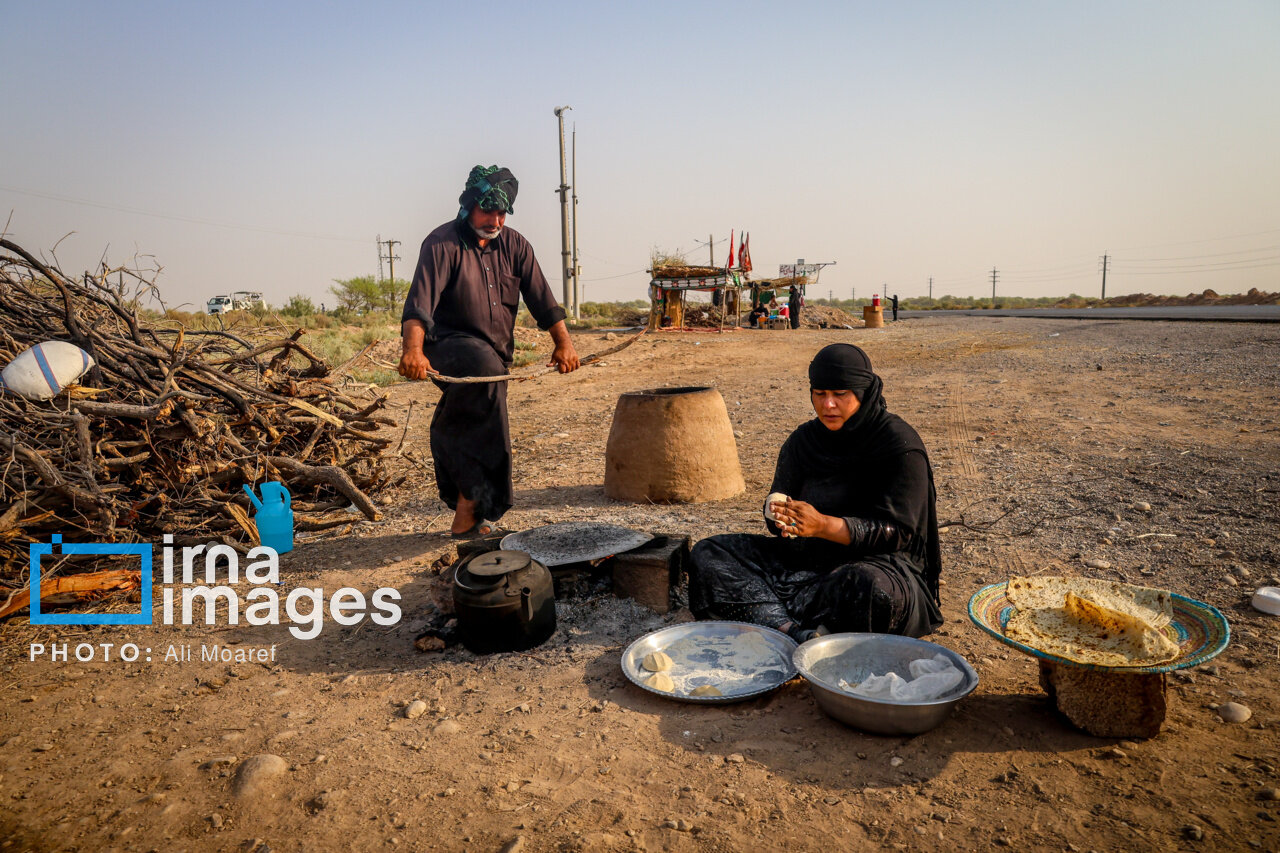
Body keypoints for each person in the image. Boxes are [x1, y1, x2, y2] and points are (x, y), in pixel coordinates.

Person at [688, 343, 943, 641]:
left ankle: (785, 621)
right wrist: (778, 515)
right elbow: (780, 500)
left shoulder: (898, 445)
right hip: (803, 560)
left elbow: (899, 532)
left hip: (876, 564)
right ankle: (791, 630)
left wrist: (823, 525)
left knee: (871, 589)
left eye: (840, 394)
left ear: (863, 393)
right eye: (819, 394)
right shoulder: (803, 441)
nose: (828, 405)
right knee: (710, 553)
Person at [399, 165, 580, 539]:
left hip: (496, 356)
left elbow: (543, 300)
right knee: (485, 399)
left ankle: (467, 503)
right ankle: (470, 509)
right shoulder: (442, 243)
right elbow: (418, 305)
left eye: (502, 213)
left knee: (473, 421)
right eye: (488, 211)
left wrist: (564, 343)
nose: (495, 221)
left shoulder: (516, 246)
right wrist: (413, 350)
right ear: (468, 205)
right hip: (448, 345)